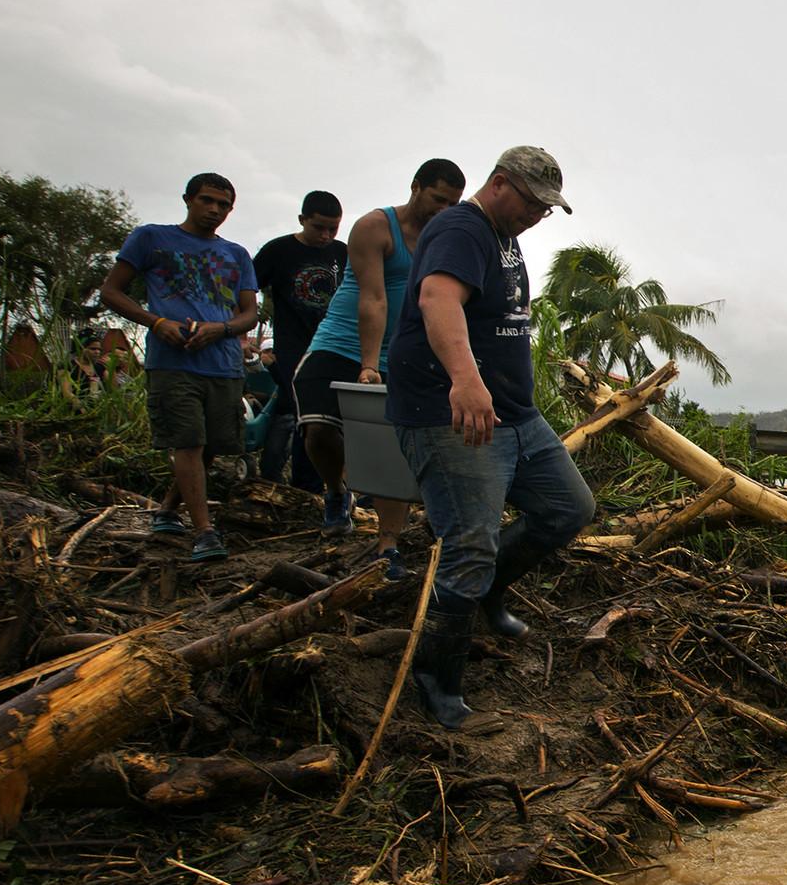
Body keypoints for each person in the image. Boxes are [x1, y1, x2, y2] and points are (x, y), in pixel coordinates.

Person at [387, 148, 594, 727]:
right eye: (532, 203)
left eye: (547, 210)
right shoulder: (461, 226)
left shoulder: (505, 234)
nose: (537, 216)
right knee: (469, 546)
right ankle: (437, 678)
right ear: (500, 184)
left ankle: (484, 595)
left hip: (515, 415)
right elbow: (437, 299)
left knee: (567, 508)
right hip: (450, 412)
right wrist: (465, 380)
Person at [296, 158, 466, 575]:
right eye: (438, 199)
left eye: (453, 204)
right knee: (319, 429)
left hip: (402, 353)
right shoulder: (375, 226)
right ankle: (336, 490)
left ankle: (387, 546)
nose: (444, 209)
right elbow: (373, 298)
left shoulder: (445, 238)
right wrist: (369, 365)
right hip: (340, 342)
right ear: (416, 187)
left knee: (394, 450)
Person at [100, 172, 259, 562]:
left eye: (223, 205)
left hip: (222, 364)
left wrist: (220, 329)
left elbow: (250, 313)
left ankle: (169, 510)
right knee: (188, 440)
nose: (214, 210)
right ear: (188, 199)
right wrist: (157, 322)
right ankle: (204, 533)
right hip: (173, 360)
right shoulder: (152, 238)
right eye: (207, 200)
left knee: (209, 447)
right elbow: (111, 291)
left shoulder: (236, 254)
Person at [251, 191, 347, 491]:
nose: (326, 235)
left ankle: (337, 485)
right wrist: (242, 334)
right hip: (293, 349)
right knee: (307, 416)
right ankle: (305, 488)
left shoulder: (342, 253)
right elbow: (245, 290)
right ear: (302, 220)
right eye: (319, 227)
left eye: (333, 228)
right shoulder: (278, 251)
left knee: (336, 418)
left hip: (334, 347)